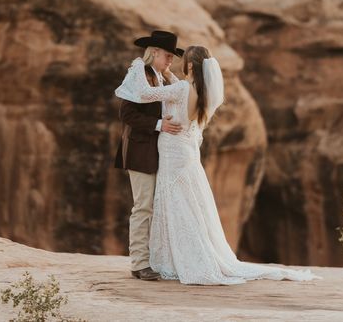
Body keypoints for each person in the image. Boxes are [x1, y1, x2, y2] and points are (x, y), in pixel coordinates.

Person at [115, 45, 321, 285]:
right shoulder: (201, 92)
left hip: (173, 154)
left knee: (174, 205)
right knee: (187, 205)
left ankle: (170, 259)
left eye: (178, 59)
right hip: (186, 153)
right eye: (168, 56)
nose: (173, 61)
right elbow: (171, 92)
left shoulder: (181, 88)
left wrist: (138, 65)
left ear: (190, 66)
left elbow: (142, 93)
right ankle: (174, 258)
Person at [114, 30, 184, 281]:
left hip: (159, 152)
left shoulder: (162, 79)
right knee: (143, 206)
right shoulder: (139, 75)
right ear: (153, 52)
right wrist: (159, 125)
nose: (170, 61)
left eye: (172, 57)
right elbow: (127, 115)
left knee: (157, 207)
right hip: (140, 149)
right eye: (167, 56)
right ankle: (139, 263)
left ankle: (153, 260)